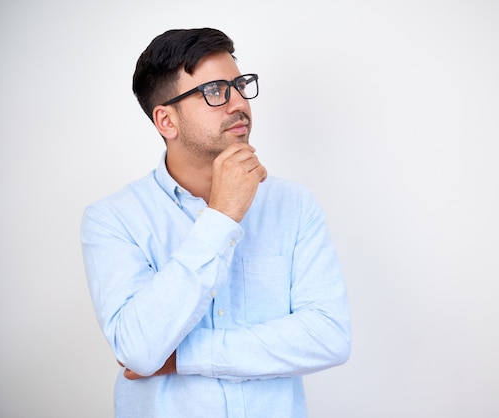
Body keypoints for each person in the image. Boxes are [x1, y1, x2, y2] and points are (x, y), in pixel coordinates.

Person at [80, 27, 351, 417]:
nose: (239, 102)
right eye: (214, 92)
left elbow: (329, 337)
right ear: (166, 121)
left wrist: (181, 358)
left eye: (239, 85)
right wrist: (221, 216)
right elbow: (138, 349)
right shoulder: (113, 220)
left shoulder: (294, 205)